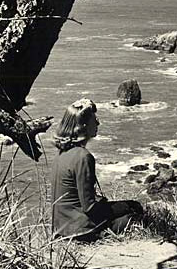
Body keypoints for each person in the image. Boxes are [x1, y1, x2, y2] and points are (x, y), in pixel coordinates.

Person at [51, 98, 143, 241]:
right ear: (84, 126)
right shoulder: (83, 156)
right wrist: (122, 207)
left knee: (126, 207)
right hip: (81, 231)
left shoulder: (61, 154)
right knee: (134, 212)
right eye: (94, 119)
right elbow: (89, 207)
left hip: (61, 229)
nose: (98, 123)